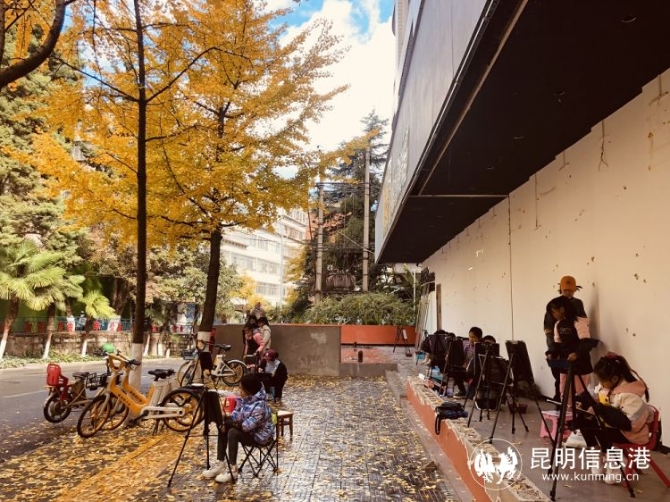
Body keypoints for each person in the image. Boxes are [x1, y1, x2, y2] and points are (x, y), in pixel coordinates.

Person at [575, 353, 652, 484]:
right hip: (610, 426)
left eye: (602, 381)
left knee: (599, 426)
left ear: (615, 378)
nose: (600, 384)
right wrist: (584, 403)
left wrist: (600, 409)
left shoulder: (630, 395)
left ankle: (615, 461)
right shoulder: (608, 385)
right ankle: (597, 454)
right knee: (582, 419)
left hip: (630, 433)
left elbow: (628, 425)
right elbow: (597, 396)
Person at [202, 373, 275, 483]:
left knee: (232, 432)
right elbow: (236, 416)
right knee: (223, 427)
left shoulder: (260, 405)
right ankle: (220, 464)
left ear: (249, 390)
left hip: (260, 436)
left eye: (241, 388)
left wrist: (232, 423)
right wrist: (225, 420)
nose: (239, 390)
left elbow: (246, 426)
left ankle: (233, 470)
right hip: (249, 432)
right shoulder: (244, 399)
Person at [543, 275, 587, 401]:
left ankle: (574, 405)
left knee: (577, 384)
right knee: (560, 377)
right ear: (560, 289)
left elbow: (583, 322)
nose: (568, 292)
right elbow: (548, 330)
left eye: (570, 290)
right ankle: (560, 401)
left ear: (575, 290)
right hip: (557, 344)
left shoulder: (578, 304)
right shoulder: (554, 305)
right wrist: (553, 350)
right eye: (565, 290)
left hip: (574, 347)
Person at [453, 327, 483, 397]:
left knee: (470, 396)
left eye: (473, 337)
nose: (471, 339)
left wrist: (469, 366)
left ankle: (473, 390)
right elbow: (461, 356)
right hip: (465, 368)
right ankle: (462, 390)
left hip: (475, 371)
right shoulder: (465, 344)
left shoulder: (481, 348)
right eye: (470, 336)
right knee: (455, 370)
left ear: (479, 338)